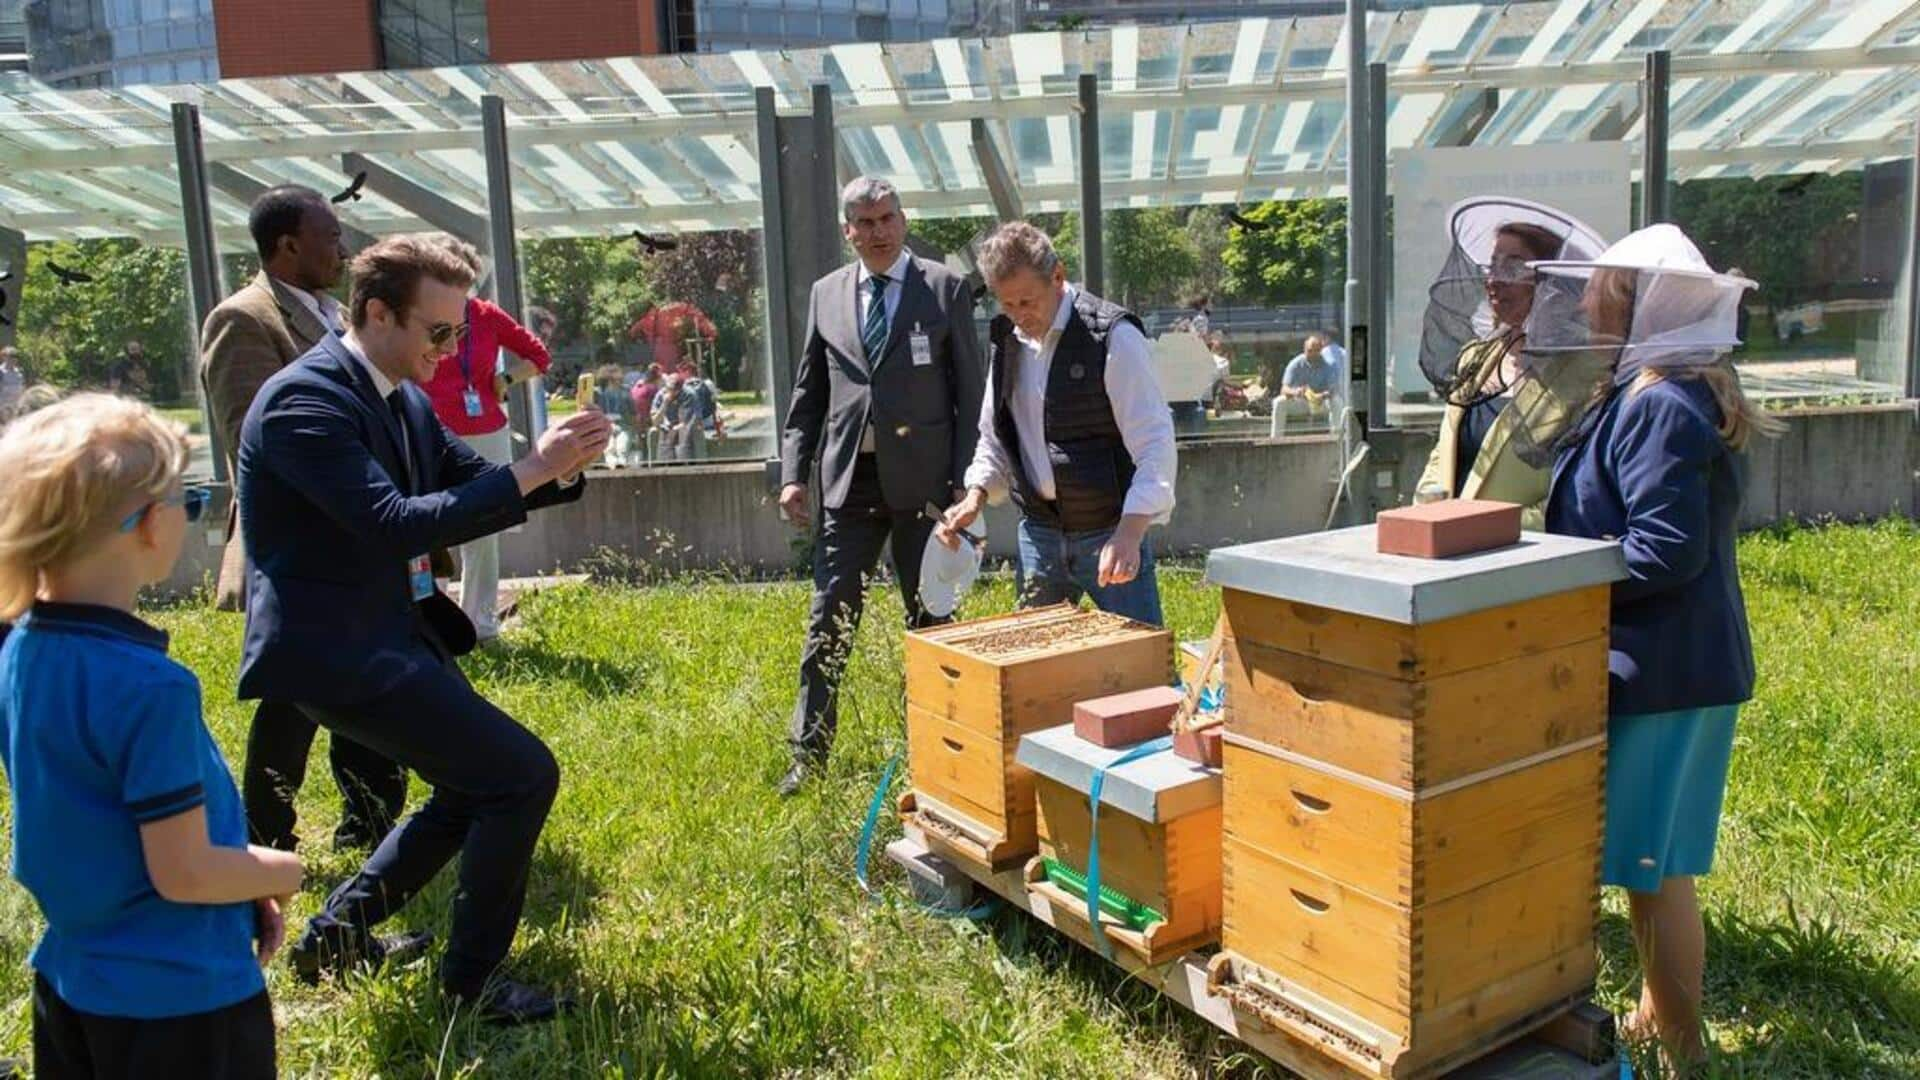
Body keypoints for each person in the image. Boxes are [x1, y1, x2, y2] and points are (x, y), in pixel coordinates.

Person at [236, 234, 610, 1024]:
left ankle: (335, 938)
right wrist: (532, 470)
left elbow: (474, 483)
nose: (454, 348)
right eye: (439, 331)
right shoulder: (306, 401)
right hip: (332, 650)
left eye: (459, 330)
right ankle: (472, 988)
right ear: (376, 314)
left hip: (386, 632)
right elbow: (390, 524)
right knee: (519, 775)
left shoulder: (397, 390)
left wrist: (561, 466)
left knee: (475, 784)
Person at [0, 395, 304, 1079]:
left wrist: (236, 886)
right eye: (188, 498)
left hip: (71, 978)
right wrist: (284, 871)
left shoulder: (20, 648)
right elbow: (185, 870)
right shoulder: (149, 686)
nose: (191, 516)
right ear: (142, 527)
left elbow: (91, 823)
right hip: (180, 1000)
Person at [1538, 224, 1779, 1070]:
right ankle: (1657, 1011)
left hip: (1662, 672)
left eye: (1601, 291)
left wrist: (1560, 583)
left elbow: (1666, 548)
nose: (1583, 304)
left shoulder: (1659, 405)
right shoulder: (1664, 392)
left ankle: (1681, 1043)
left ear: (1642, 303)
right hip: (1679, 665)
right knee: (1658, 860)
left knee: (1653, 867)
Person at [199, 184, 406, 855]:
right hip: (296, 548)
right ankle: (264, 835)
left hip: (358, 541)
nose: (343, 249)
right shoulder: (244, 321)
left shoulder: (333, 317)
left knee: (363, 677)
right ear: (288, 245)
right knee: (291, 699)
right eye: (330, 236)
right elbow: (252, 438)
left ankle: (368, 823)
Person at [776, 176, 984, 795]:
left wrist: (964, 486)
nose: (877, 232)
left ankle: (947, 759)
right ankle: (807, 759)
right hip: (849, 486)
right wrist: (793, 474)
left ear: (903, 219)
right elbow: (809, 392)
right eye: (864, 223)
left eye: (887, 218)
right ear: (848, 231)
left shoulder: (944, 290)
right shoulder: (827, 294)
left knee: (932, 623)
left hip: (926, 491)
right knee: (828, 623)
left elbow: (970, 394)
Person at [939, 221, 1175, 627]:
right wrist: (975, 496)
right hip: (1039, 535)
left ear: (1058, 277)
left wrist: (1130, 533)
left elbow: (1154, 442)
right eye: (1006, 304)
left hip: (1109, 531)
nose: (1018, 316)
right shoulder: (1006, 340)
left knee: (1140, 671)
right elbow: (995, 437)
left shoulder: (1113, 336)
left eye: (1027, 301)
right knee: (1035, 672)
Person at [1415, 201, 1610, 527]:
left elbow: (1580, 490)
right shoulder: (1476, 357)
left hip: (1525, 562)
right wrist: (1425, 508)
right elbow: (1444, 450)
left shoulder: (1587, 372)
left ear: (1552, 281)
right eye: (1492, 266)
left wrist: (1489, 528)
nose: (1495, 280)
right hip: (1450, 554)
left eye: (1514, 267)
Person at [419, 238, 555, 644]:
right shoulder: (420, 318)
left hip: (486, 430)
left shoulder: (487, 316)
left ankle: (480, 623)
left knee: (483, 528)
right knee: (429, 525)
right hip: (433, 429)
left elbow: (539, 356)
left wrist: (506, 379)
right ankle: (431, 620)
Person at [629, 364, 663, 464]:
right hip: (646, 420)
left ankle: (642, 461)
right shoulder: (652, 389)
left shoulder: (636, 386)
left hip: (636, 420)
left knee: (642, 444)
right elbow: (656, 407)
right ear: (657, 378)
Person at [0, 346, 26, 416]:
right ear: (4, 357)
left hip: (16, 409)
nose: (13, 359)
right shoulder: (1, 372)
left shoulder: (20, 372)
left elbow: (22, 390)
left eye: (15, 356)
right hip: (2, 410)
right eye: (10, 356)